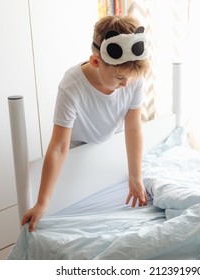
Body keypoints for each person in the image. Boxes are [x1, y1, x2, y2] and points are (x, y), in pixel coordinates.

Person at [22, 15, 150, 232]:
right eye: (119, 77)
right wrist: (42, 202)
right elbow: (59, 146)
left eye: (129, 78)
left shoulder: (132, 78)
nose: (126, 83)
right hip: (78, 149)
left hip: (111, 141)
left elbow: (133, 127)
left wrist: (135, 176)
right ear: (95, 61)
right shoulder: (72, 86)